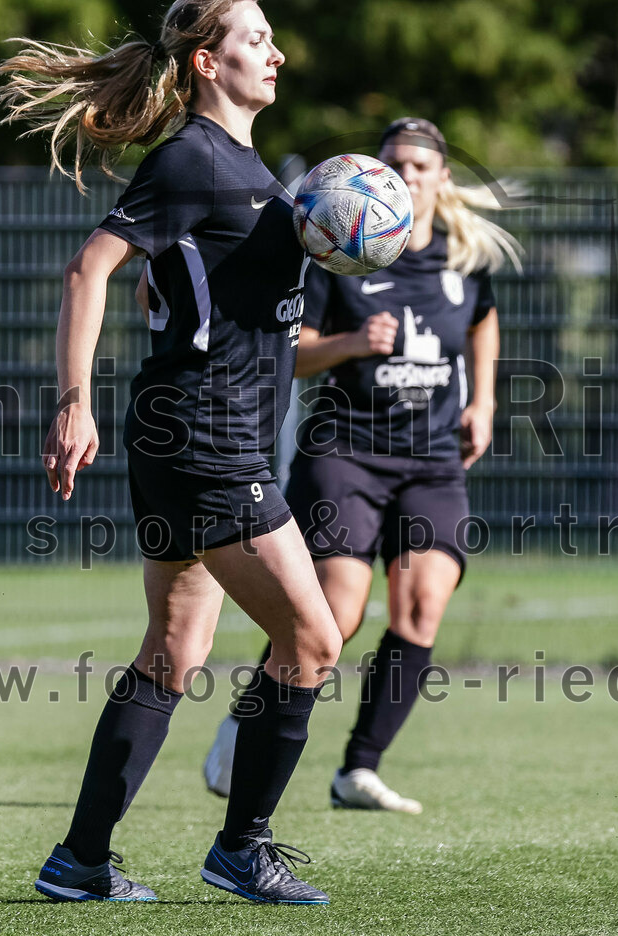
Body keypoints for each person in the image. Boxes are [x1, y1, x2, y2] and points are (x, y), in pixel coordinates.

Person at [0, 0, 340, 905]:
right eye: (256, 39)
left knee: (174, 650)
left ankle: (79, 861)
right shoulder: (193, 159)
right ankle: (242, 848)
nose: (276, 54)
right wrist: (73, 403)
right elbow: (89, 268)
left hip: (192, 434)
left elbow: (198, 291)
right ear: (207, 62)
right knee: (312, 640)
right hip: (205, 438)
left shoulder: (245, 170)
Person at [203, 117, 521, 813]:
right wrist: (352, 342)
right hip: (346, 451)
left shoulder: (464, 257)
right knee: (335, 614)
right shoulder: (341, 249)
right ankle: (245, 725)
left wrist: (485, 400)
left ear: (441, 178)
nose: (406, 174)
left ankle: (358, 770)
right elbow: (293, 352)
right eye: (393, 162)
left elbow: (483, 321)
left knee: (423, 604)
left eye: (419, 165)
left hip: (433, 459)